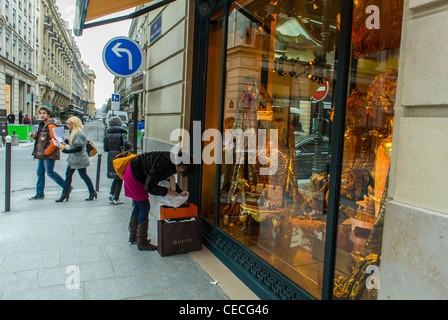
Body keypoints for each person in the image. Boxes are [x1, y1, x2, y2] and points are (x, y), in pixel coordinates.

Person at [124, 151, 195, 251]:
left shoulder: (171, 160)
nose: (180, 173)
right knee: (144, 207)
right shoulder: (164, 166)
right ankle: (142, 242)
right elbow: (149, 187)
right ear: (182, 167)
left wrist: (180, 191)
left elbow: (167, 179)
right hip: (135, 177)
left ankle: (133, 236)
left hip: (132, 172)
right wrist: (167, 191)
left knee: (138, 206)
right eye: (182, 172)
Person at [55, 116, 96, 202]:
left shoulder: (78, 133)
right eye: (67, 124)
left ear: (74, 124)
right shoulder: (74, 132)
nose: (67, 126)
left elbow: (79, 148)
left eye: (69, 124)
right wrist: (65, 140)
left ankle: (92, 192)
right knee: (70, 175)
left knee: (83, 175)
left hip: (79, 159)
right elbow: (73, 144)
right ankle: (65, 194)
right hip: (74, 159)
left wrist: (66, 151)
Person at [29, 106, 65, 200]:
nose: (42, 115)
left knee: (50, 172)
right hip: (42, 154)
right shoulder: (43, 125)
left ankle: (67, 187)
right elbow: (43, 139)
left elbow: (55, 140)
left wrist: (46, 152)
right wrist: (34, 136)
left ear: (48, 115)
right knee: (40, 172)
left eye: (44, 113)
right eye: (40, 113)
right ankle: (39, 193)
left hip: (48, 154)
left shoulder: (51, 125)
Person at [103, 116, 132, 205]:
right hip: (120, 156)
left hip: (111, 157)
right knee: (119, 177)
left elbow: (105, 148)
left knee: (116, 176)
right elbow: (126, 144)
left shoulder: (107, 134)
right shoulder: (122, 133)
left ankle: (112, 193)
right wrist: (130, 145)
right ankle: (116, 198)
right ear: (119, 123)